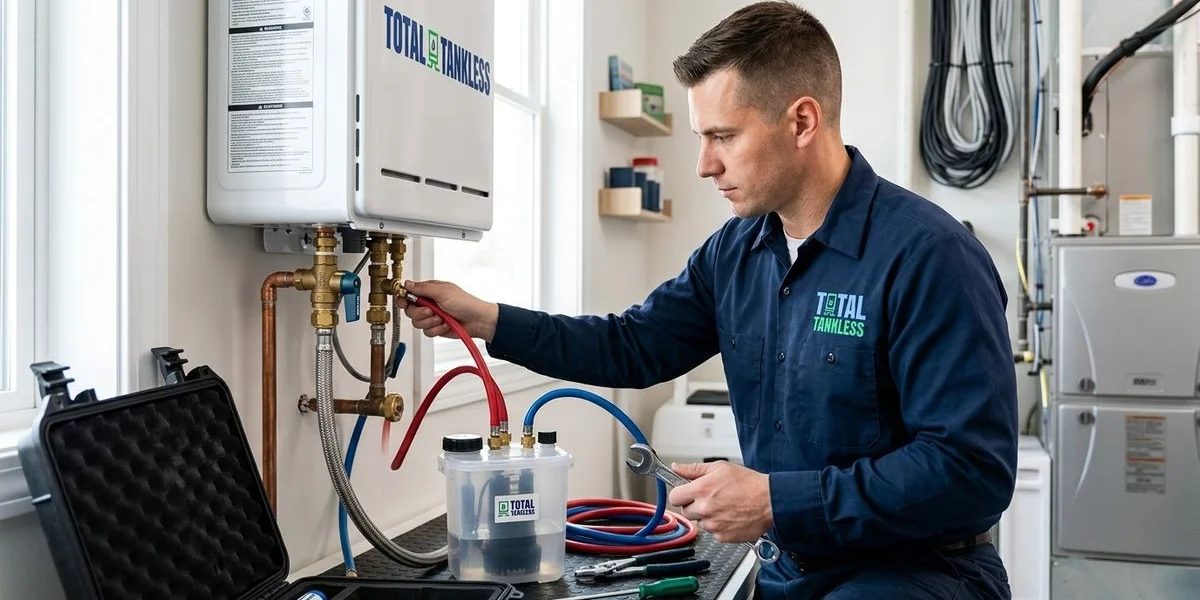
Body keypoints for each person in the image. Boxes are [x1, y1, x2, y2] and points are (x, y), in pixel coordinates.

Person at [400, 2, 1018, 598]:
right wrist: (487, 320)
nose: (703, 164)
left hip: (918, 575)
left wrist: (776, 499)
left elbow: (971, 470)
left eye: (722, 136)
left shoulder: (930, 256)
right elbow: (633, 345)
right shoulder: (737, 251)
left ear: (802, 121)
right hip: (788, 570)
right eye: (702, 137)